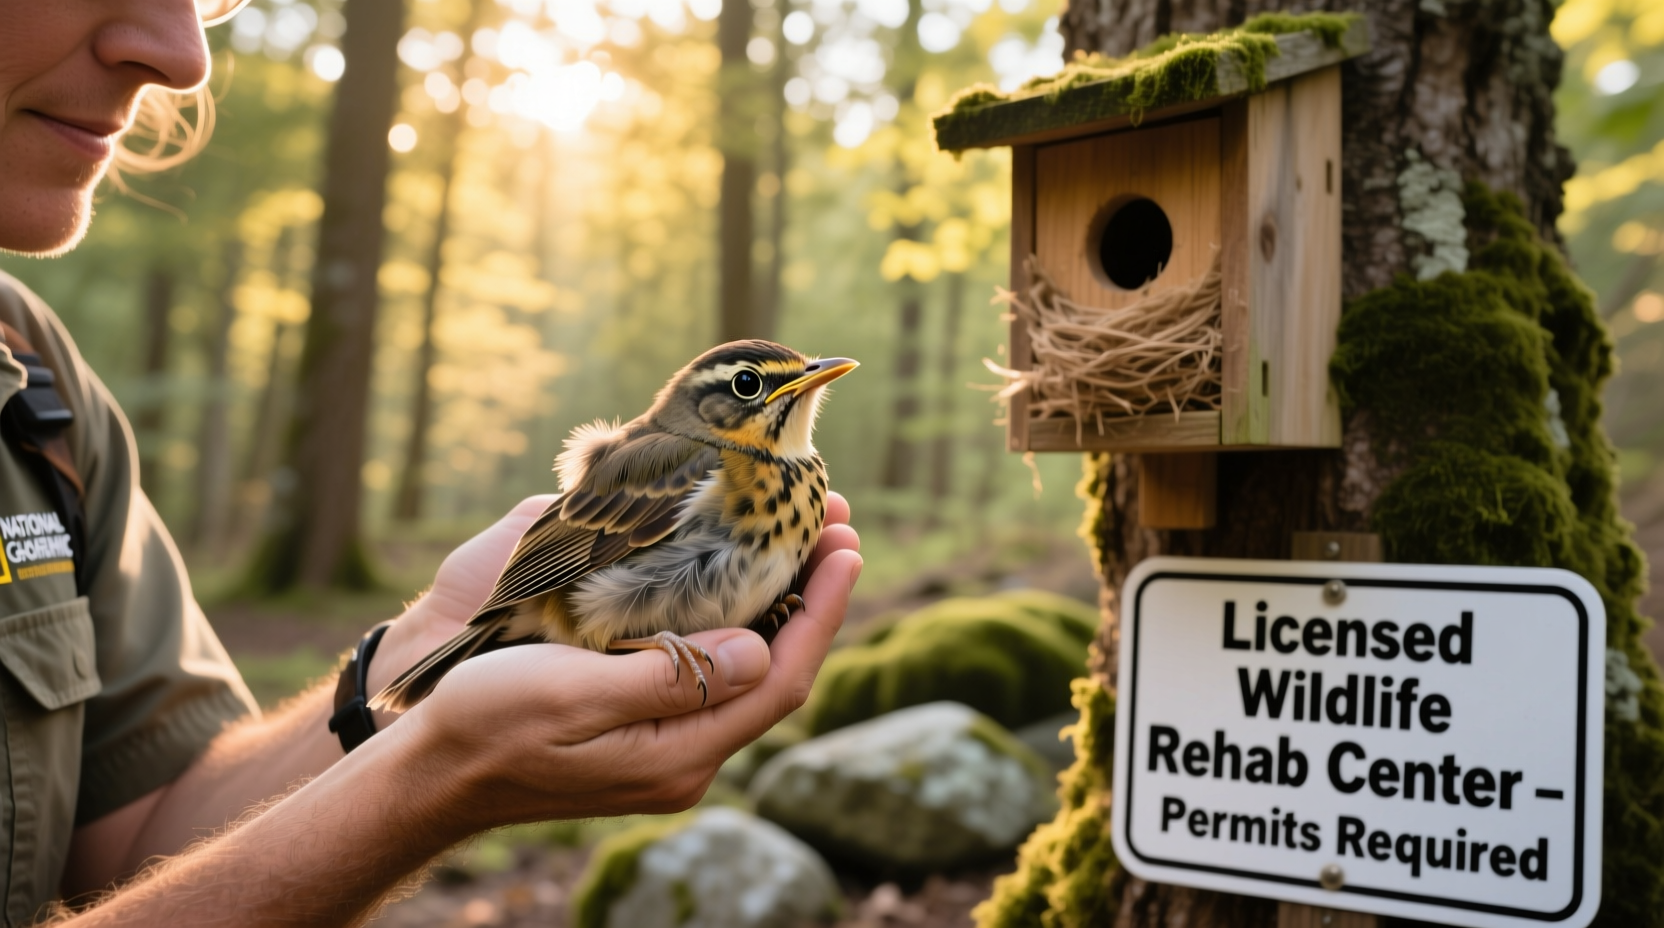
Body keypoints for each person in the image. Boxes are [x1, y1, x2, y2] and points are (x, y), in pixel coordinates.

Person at [0, 1, 863, 924]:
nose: (185, 58)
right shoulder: (690, 467)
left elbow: (151, 845)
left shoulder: (37, 383)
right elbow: (578, 561)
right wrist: (434, 778)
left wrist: (401, 671)